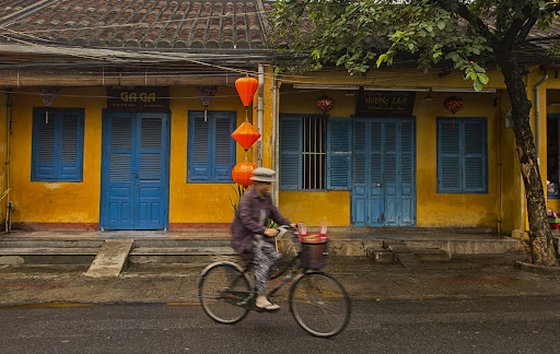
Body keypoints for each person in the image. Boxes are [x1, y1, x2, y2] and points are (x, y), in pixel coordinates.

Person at [231, 167, 295, 311]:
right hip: (246, 239)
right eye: (265, 183)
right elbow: (246, 219)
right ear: (257, 183)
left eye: (269, 183)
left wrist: (289, 224)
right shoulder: (248, 198)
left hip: (259, 239)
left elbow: (275, 214)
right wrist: (265, 230)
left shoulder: (266, 198)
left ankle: (261, 282)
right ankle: (260, 298)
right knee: (264, 263)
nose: (268, 186)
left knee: (276, 257)